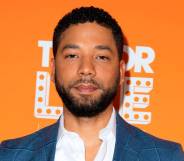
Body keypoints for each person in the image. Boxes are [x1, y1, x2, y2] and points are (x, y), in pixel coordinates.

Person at [0, 6, 183, 161]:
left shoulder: (168, 156)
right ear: (53, 68)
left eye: (101, 57)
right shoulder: (9, 155)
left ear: (121, 72)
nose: (86, 68)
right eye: (72, 55)